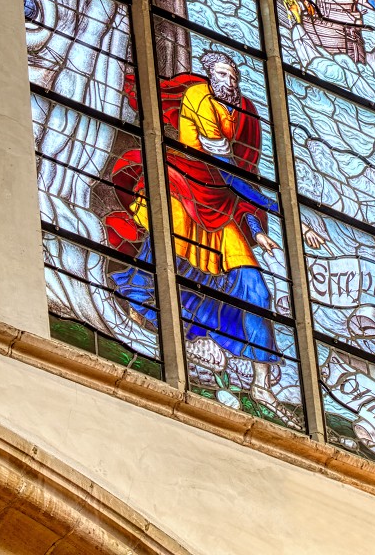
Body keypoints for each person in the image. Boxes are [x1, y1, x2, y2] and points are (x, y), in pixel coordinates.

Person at [106, 51, 300, 426]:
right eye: (223, 75)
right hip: (185, 184)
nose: (230, 82)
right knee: (162, 254)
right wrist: (280, 213)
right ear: (211, 76)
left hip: (225, 204)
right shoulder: (198, 98)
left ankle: (262, 384)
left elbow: (244, 170)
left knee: (256, 289)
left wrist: (257, 230)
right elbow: (223, 164)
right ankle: (143, 321)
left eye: (234, 76)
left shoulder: (245, 112)